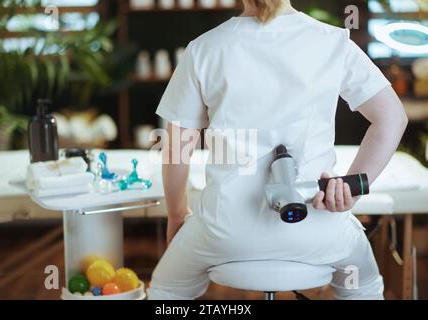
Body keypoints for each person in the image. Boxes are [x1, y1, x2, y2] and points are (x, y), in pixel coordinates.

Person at [147, 0, 408, 299]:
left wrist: (178, 217)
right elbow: (392, 118)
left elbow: (177, 149)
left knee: (168, 289)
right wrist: (351, 190)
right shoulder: (333, 41)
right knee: (363, 286)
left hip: (225, 231)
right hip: (317, 227)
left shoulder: (204, 48)